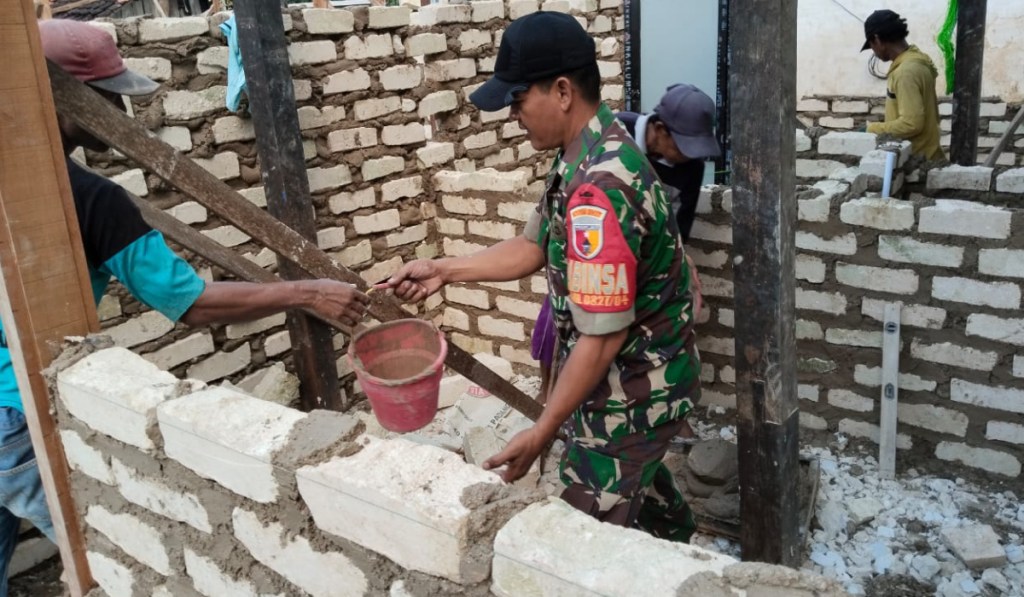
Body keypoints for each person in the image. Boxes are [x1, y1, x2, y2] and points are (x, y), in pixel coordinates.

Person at [0, 20, 369, 591]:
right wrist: (307, 291)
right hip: (15, 413)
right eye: (106, 97)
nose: (121, 110)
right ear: (65, 96)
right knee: (107, 558)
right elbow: (190, 304)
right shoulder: (94, 202)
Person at [382, 12, 701, 542]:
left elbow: (602, 338)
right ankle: (676, 536)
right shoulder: (584, 155)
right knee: (637, 480)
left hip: (631, 394)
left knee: (579, 539)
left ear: (560, 91)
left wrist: (542, 431)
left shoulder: (602, 187)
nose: (513, 116)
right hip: (628, 384)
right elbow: (532, 246)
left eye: (517, 101)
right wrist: (443, 270)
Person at [861, 9, 944, 161]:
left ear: (877, 40)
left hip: (918, 163)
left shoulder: (906, 72)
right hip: (927, 155)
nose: (874, 52)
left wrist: (871, 129)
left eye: (872, 46)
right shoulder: (917, 61)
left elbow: (911, 124)